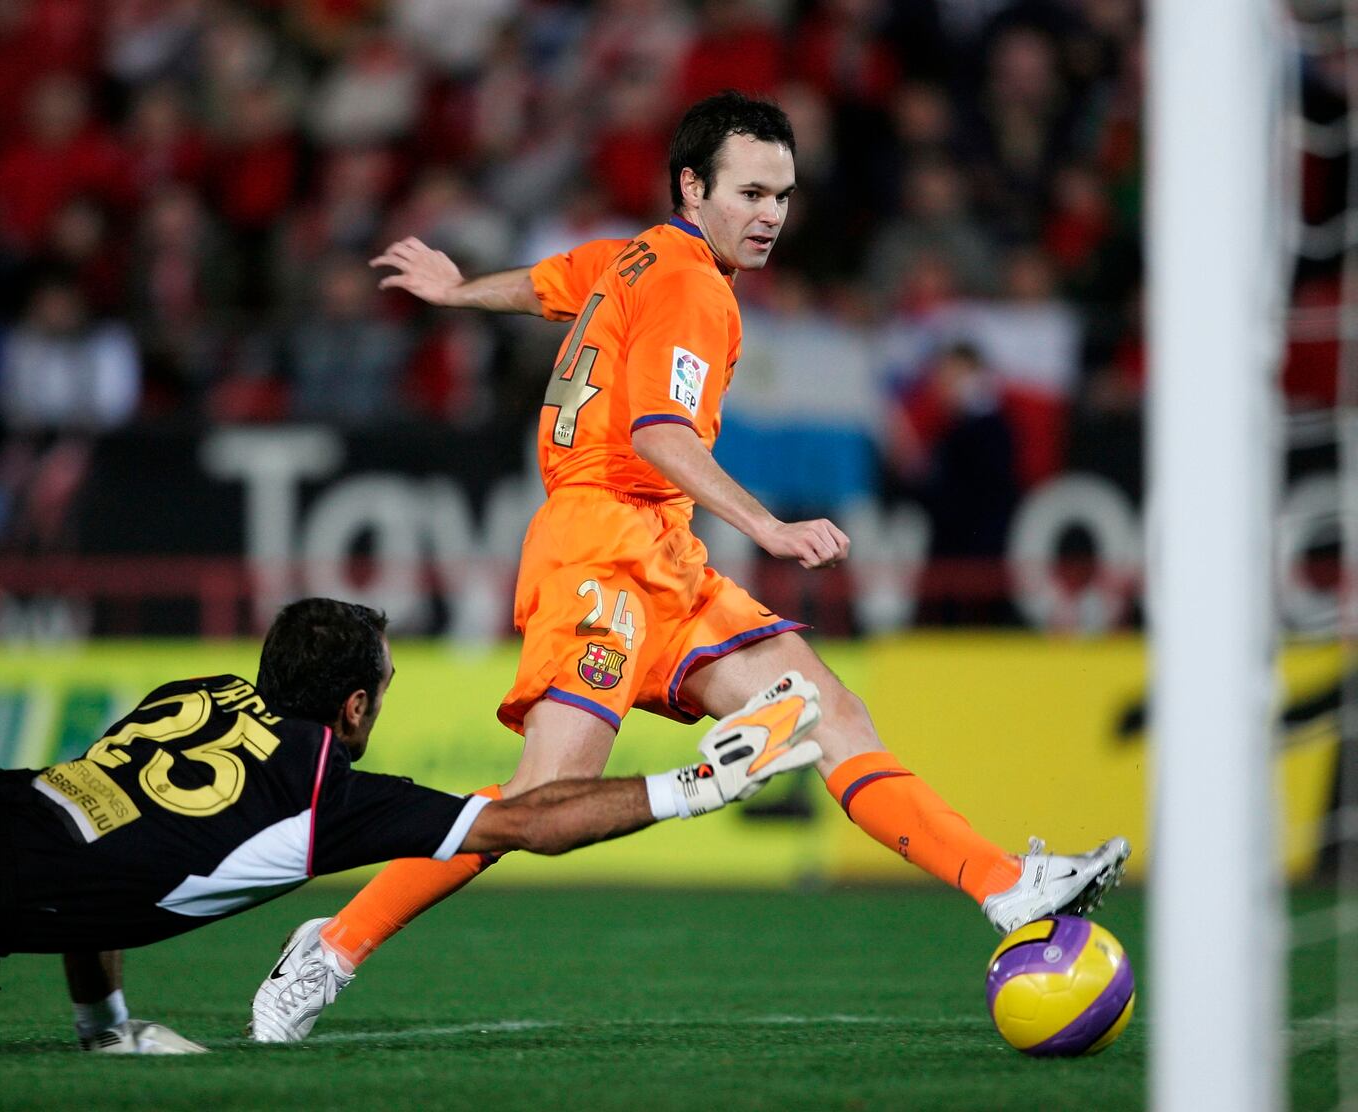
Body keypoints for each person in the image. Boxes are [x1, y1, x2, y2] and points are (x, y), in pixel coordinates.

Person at [248, 91, 1130, 1044]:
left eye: (784, 196)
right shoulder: (691, 287)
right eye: (751, 192)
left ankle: (1006, 887)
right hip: (600, 545)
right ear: (692, 185)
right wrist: (771, 526)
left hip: (657, 548)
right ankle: (333, 944)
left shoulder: (635, 254)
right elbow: (659, 432)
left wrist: (461, 291)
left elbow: (550, 282)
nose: (770, 216)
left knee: (829, 715)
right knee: (540, 805)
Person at [0, 597, 824, 1056]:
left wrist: (106, 1025)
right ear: (354, 706)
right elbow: (528, 820)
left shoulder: (197, 689)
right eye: (384, 689)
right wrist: (695, 784)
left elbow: (100, 840)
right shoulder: (325, 791)